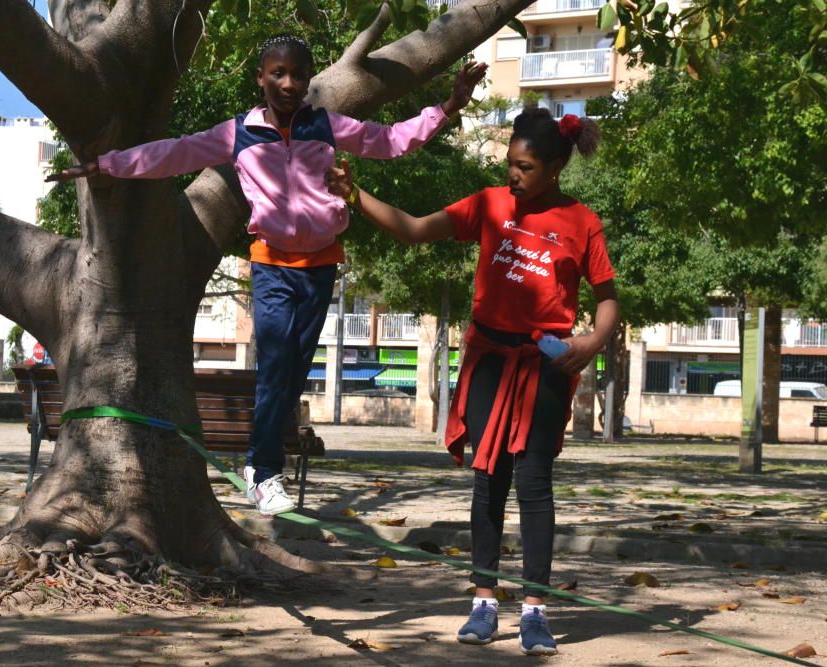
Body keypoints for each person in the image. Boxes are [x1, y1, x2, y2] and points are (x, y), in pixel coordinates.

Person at [46, 34, 487, 516]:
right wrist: (106, 166)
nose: (289, 83)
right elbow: (172, 154)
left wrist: (448, 106)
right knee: (276, 363)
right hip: (272, 264)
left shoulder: (326, 126)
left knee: (295, 369)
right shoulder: (238, 133)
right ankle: (262, 470)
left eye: (299, 74)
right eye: (278, 73)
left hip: (319, 266)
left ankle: (264, 465)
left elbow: (391, 141)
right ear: (260, 78)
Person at [326, 107, 619, 656]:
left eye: (526, 167)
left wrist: (591, 344)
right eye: (510, 163)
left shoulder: (583, 222)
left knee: (533, 486)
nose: (514, 175)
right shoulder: (488, 204)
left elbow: (608, 302)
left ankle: (534, 610)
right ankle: (483, 601)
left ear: (555, 167)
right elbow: (413, 231)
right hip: (488, 360)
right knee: (489, 480)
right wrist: (353, 196)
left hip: (543, 368)